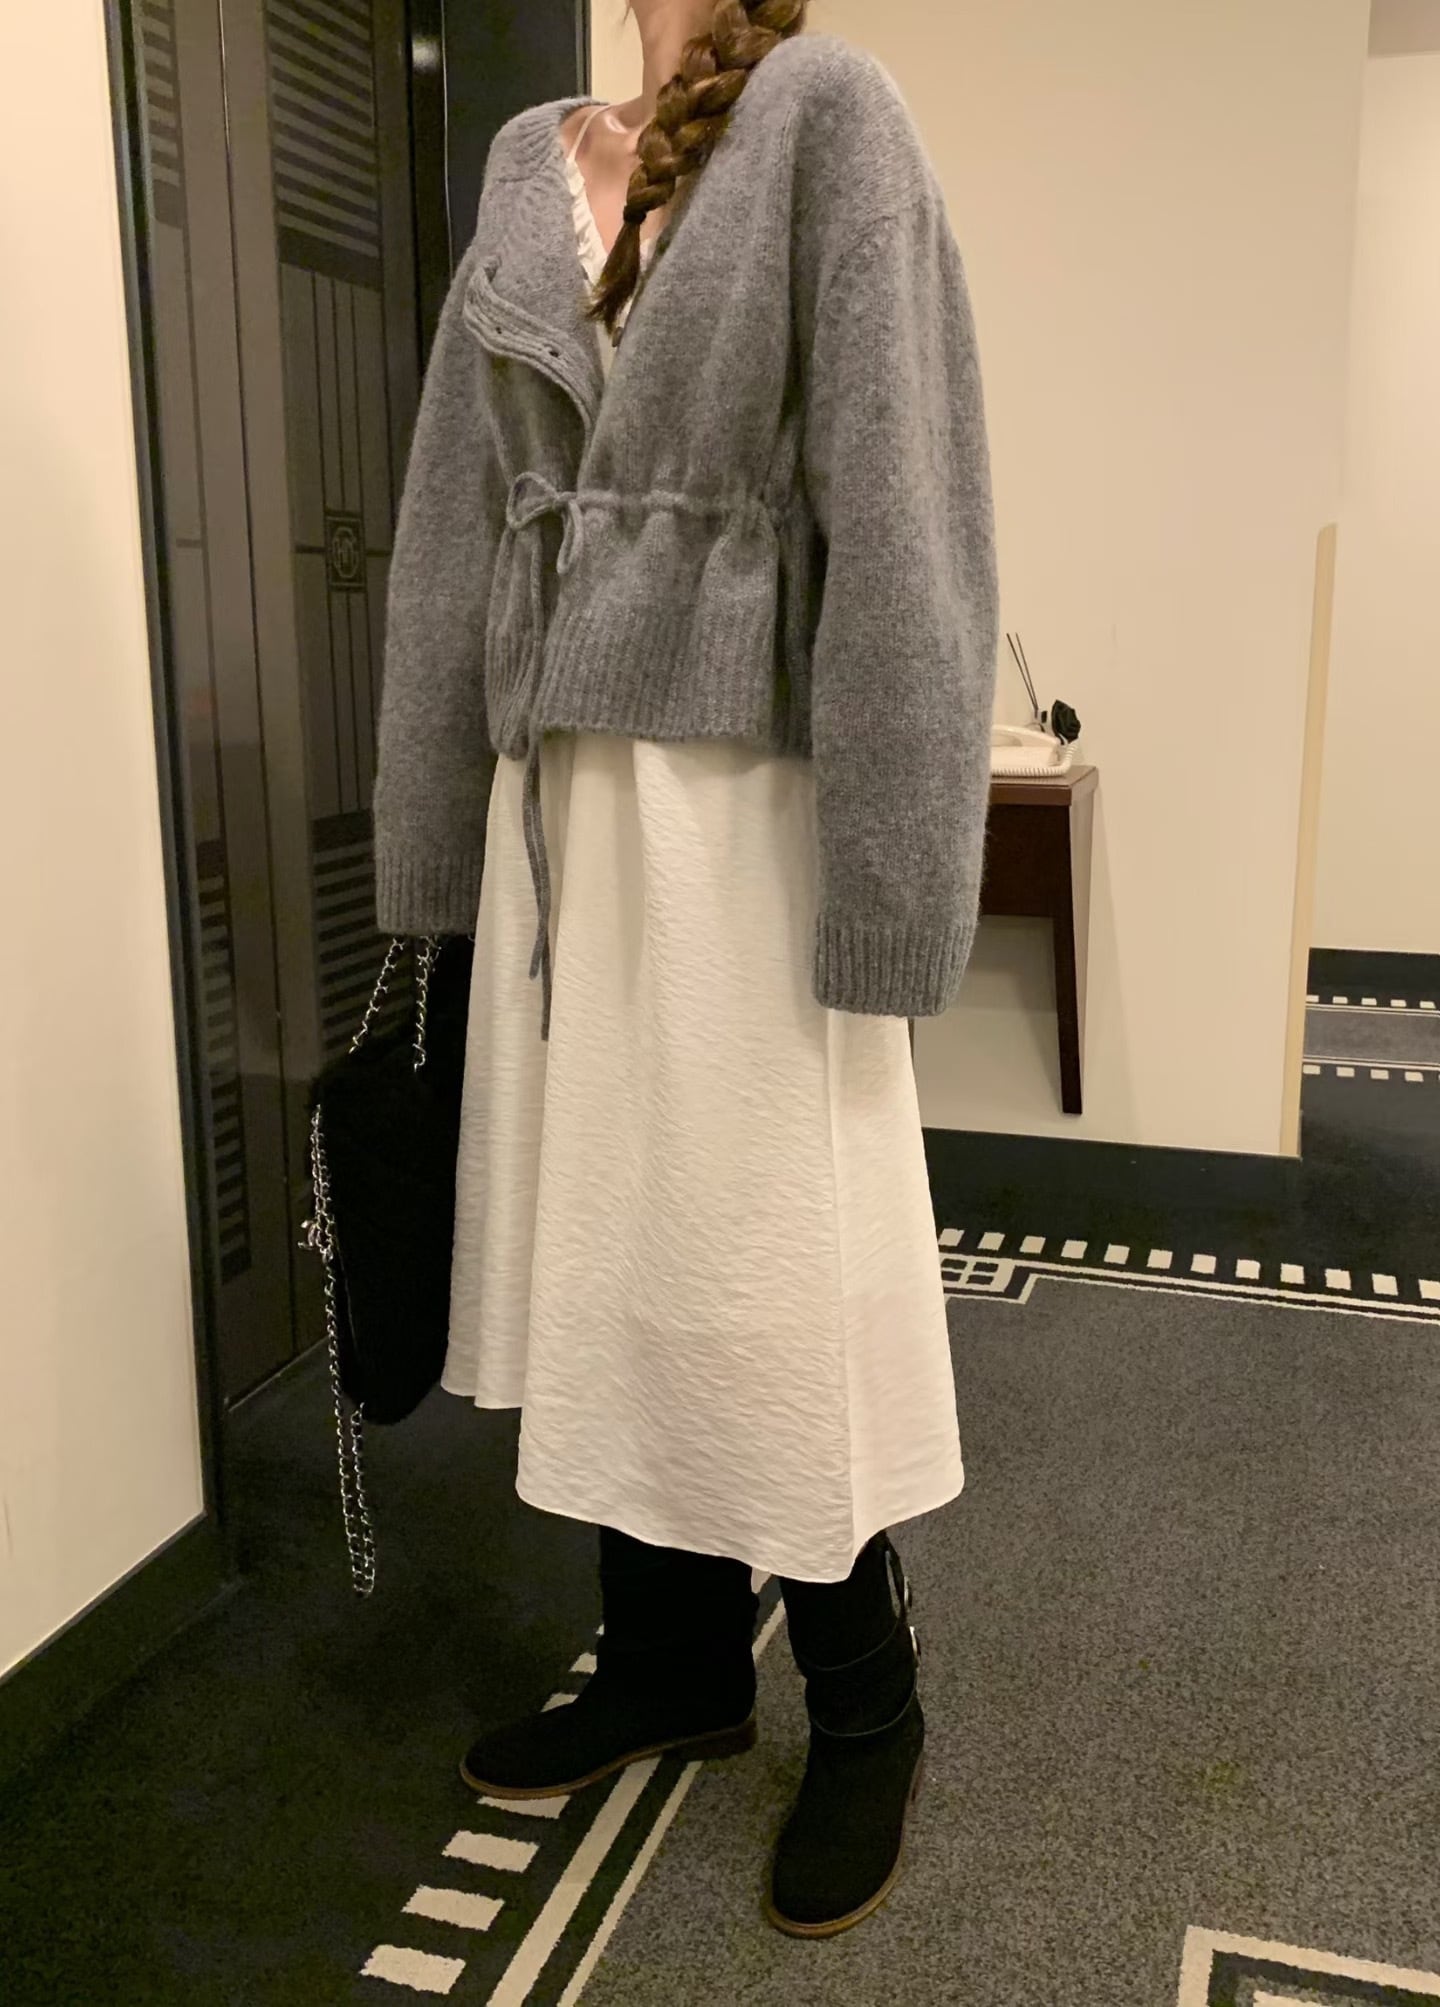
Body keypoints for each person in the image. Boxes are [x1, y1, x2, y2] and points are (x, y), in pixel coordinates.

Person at [371, 0, 998, 1939]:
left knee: (763, 1269)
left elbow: (909, 522)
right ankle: (670, 1660)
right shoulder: (525, 164)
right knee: (607, 1248)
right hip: (560, 816)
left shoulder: (829, 116)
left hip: (742, 818)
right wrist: (427, 847)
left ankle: (869, 1698)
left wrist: (897, 883)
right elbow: (450, 533)